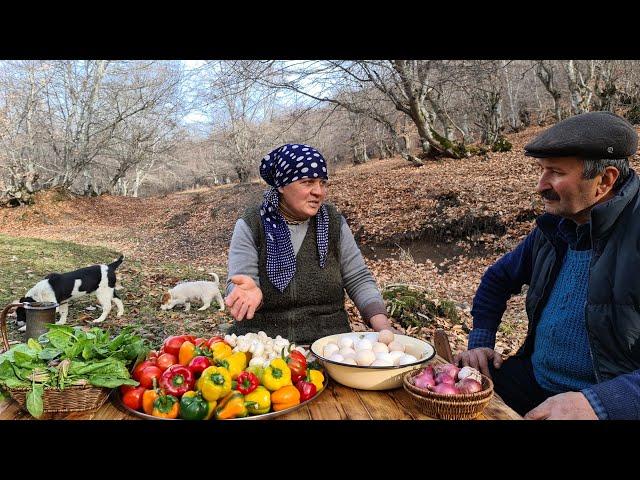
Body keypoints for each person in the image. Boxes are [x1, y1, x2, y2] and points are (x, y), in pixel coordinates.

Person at [454, 111, 640, 420]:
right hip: (534, 381)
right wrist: (481, 342)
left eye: (554, 172)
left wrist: (601, 404)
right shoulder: (555, 229)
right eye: (541, 170)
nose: (541, 186)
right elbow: (497, 279)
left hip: (607, 404)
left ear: (605, 180)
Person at [224, 143, 396, 345]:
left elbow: (358, 278)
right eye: (308, 182)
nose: (319, 192)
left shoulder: (332, 222)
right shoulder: (253, 223)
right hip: (264, 343)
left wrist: (383, 326)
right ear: (281, 185)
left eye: (323, 183)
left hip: (330, 343)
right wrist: (246, 295)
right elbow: (240, 283)